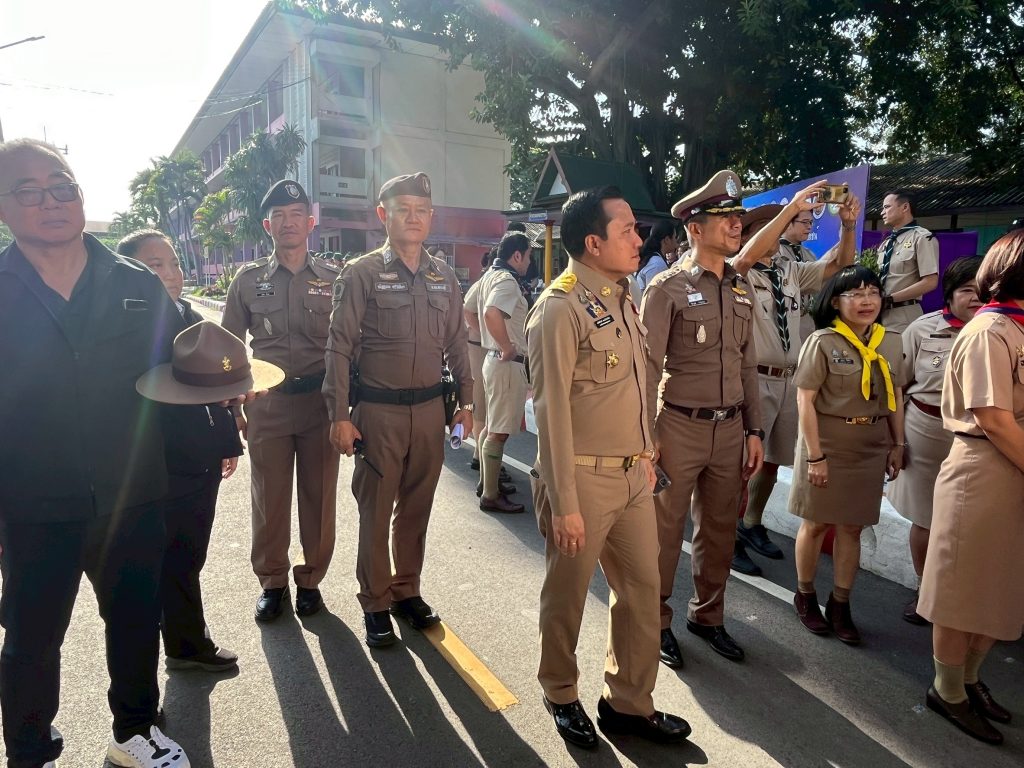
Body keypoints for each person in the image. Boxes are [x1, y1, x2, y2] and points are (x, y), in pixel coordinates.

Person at [0, 139, 193, 768]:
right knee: (30, 639)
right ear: (4, 207)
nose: (51, 201)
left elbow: (180, 372)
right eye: (29, 191)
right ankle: (29, 750)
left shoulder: (135, 283)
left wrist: (226, 394)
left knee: (136, 622)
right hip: (31, 501)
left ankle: (135, 733)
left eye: (63, 186)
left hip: (131, 494)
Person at [528, 186, 690, 749]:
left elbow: (634, 389)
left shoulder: (623, 298)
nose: (638, 238)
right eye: (627, 230)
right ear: (593, 243)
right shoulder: (559, 308)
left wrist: (645, 455)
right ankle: (560, 691)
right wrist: (564, 502)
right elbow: (551, 415)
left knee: (643, 591)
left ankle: (628, 703)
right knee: (567, 596)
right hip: (581, 478)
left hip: (631, 477)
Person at [324, 172, 474, 648]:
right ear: (382, 215)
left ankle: (406, 590)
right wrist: (339, 414)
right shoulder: (361, 273)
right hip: (379, 413)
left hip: (430, 412)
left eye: (421, 210)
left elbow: (457, 342)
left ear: (431, 217)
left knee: (416, 508)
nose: (413, 217)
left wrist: (467, 402)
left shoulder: (443, 276)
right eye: (403, 209)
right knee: (375, 511)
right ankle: (374, 602)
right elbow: (338, 346)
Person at [641, 170, 764, 666]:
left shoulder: (740, 287)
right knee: (664, 532)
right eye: (723, 217)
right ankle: (654, 621)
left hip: (730, 429)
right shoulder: (666, 288)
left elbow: (748, 364)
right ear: (695, 228)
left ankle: (708, 616)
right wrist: (645, 434)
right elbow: (646, 368)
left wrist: (754, 429)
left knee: (718, 530)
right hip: (678, 427)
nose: (736, 225)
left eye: (737, 217)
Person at [117, 230, 243, 673]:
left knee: (189, 553)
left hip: (200, 457)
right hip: (156, 463)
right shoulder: (124, 330)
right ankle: (168, 656)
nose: (171, 274)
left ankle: (184, 643)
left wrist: (227, 443)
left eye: (173, 263)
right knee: (163, 560)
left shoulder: (189, 316)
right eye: (155, 266)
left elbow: (217, 389)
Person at [916, 231, 1024, 745]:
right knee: (963, 589)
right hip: (984, 469)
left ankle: (971, 679)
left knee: (998, 585)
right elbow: (995, 419)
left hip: (1013, 468)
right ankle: (948, 689)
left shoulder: (1016, 328)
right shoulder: (989, 331)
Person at [222, 179, 342, 623]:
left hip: (318, 406)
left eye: (296, 215)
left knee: (319, 496)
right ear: (266, 225)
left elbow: (349, 346)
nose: (288, 223)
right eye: (279, 216)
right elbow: (228, 348)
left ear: (310, 223)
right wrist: (233, 408)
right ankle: (273, 582)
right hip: (267, 405)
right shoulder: (247, 281)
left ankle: (310, 581)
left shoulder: (334, 279)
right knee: (268, 499)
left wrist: (347, 408)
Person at [729, 188, 861, 575]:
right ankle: (729, 534)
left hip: (788, 379)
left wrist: (848, 227)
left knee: (773, 461)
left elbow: (839, 265)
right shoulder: (736, 271)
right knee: (742, 465)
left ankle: (751, 523)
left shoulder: (788, 270)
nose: (784, 228)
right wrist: (789, 210)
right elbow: (746, 257)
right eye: (774, 225)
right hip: (754, 380)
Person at [789, 265, 906, 646]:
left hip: (868, 445)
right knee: (816, 523)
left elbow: (895, 397)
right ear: (836, 302)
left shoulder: (891, 342)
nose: (866, 300)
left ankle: (841, 603)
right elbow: (805, 402)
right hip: (826, 443)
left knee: (852, 528)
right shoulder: (822, 342)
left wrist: (898, 444)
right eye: (855, 294)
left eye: (872, 292)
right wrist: (815, 457)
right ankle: (805, 595)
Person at [887, 257, 983, 624]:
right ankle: (924, 589)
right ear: (950, 294)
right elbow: (898, 387)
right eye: (967, 290)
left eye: (982, 290)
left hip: (979, 438)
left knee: (971, 521)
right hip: (926, 433)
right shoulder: (922, 329)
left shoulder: (999, 330)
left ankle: (965, 595)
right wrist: (896, 442)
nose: (976, 298)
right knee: (926, 519)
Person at [475, 232, 532, 513]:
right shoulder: (507, 281)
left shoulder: (488, 276)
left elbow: (469, 309)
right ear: (517, 255)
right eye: (529, 256)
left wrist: (491, 341)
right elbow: (491, 312)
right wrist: (507, 346)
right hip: (506, 363)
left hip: (492, 360)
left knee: (491, 426)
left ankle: (488, 482)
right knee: (498, 432)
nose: (529, 262)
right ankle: (490, 493)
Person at [877, 190, 939, 332]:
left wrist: (890, 299)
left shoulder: (922, 238)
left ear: (905, 207)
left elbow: (930, 282)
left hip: (904, 314)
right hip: (878, 315)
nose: (882, 212)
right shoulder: (886, 243)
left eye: (887, 207)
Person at [635, 220, 677, 293]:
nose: (676, 241)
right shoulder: (657, 264)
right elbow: (653, 294)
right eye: (675, 237)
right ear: (667, 240)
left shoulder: (654, 259)